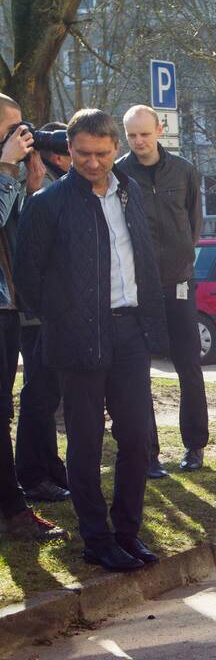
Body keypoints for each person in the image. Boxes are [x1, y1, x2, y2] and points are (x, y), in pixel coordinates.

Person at [16, 109, 168, 571]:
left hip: (129, 333)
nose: (92, 162)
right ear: (69, 150)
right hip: (75, 337)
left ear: (115, 149)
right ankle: (96, 540)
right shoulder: (47, 204)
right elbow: (27, 276)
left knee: (138, 440)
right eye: (82, 153)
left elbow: (143, 256)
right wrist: (65, 314)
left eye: (102, 153)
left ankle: (127, 533)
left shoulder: (130, 193)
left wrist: (149, 322)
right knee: (85, 442)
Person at [117, 105, 208, 477]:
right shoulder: (119, 173)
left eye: (145, 133)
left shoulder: (184, 170)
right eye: (132, 135)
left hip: (179, 282)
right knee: (138, 372)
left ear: (159, 129)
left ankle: (195, 446)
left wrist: (183, 258)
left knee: (189, 366)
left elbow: (194, 222)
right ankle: (149, 453)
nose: (139, 141)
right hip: (138, 287)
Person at [0, 94, 66, 540]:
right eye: (11, 128)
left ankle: (12, 507)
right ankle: (13, 511)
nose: (21, 135)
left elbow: (20, 238)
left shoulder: (11, 174)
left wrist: (31, 189)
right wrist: (6, 171)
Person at [14, 121, 69, 503]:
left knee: (46, 394)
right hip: (32, 309)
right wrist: (30, 189)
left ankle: (47, 469)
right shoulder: (36, 182)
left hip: (40, 308)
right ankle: (33, 475)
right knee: (39, 394)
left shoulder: (43, 179)